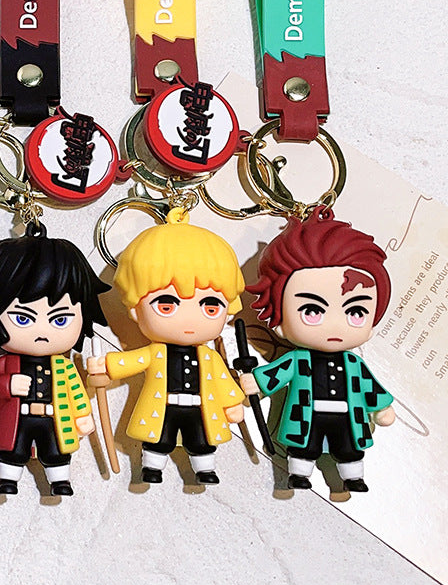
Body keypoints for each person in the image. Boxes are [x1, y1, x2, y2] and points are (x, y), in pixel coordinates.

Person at [239, 207, 395, 492]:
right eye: (312, 311)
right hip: (307, 413)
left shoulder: (353, 364)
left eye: (356, 312)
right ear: (280, 323)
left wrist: (381, 407)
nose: (334, 325)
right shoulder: (297, 360)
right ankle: (299, 473)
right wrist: (257, 383)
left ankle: (353, 476)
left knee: (348, 446)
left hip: (347, 416)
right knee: (304, 444)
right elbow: (276, 375)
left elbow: (369, 387)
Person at [86, 209, 245, 485]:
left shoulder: (209, 357)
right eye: (167, 305)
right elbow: (133, 361)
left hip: (199, 407)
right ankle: (152, 467)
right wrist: (106, 365)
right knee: (159, 437)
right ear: (135, 310)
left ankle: (205, 469)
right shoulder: (156, 352)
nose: (188, 319)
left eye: (210, 307)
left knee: (202, 439)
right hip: (163, 406)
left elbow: (222, 380)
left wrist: (232, 403)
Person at [0, 225, 108, 496]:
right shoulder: (5, 363)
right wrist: (9, 385)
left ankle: (60, 480)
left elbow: (77, 392)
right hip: (18, 418)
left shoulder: (64, 366)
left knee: (56, 450)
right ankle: (7, 479)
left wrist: (83, 415)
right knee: (13, 449)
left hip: (55, 418)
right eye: (22, 318)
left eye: (60, 320)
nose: (41, 331)